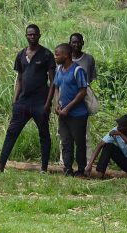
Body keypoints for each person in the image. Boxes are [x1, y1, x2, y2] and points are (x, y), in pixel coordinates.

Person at [0, 25, 56, 173]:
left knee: (44, 135)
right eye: (29, 35)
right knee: (11, 133)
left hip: (40, 103)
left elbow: (53, 81)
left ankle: (44, 169)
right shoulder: (21, 55)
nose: (32, 37)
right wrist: (15, 100)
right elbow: (19, 79)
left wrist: (48, 103)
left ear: (39, 35)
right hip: (23, 102)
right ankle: (0, 166)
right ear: (26, 36)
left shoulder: (46, 54)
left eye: (34, 34)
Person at [54, 43, 88, 176]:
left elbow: (83, 91)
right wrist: (57, 103)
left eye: (57, 54)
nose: (55, 57)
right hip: (63, 114)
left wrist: (68, 107)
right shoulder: (59, 69)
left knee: (79, 143)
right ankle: (67, 169)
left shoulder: (77, 70)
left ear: (66, 55)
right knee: (66, 142)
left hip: (77, 114)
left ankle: (81, 170)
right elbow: (56, 86)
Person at [84, 114, 127, 178]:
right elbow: (100, 145)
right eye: (118, 125)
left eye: (121, 126)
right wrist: (89, 165)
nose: (118, 127)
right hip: (126, 163)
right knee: (108, 146)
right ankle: (100, 174)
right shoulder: (116, 130)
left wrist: (120, 134)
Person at [69, 32, 97, 160]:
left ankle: (87, 161)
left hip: (83, 99)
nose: (76, 45)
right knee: (65, 133)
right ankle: (65, 161)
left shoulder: (89, 59)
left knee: (84, 133)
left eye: (78, 42)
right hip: (67, 98)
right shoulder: (65, 57)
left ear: (82, 43)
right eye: (73, 42)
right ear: (69, 44)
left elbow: (90, 80)